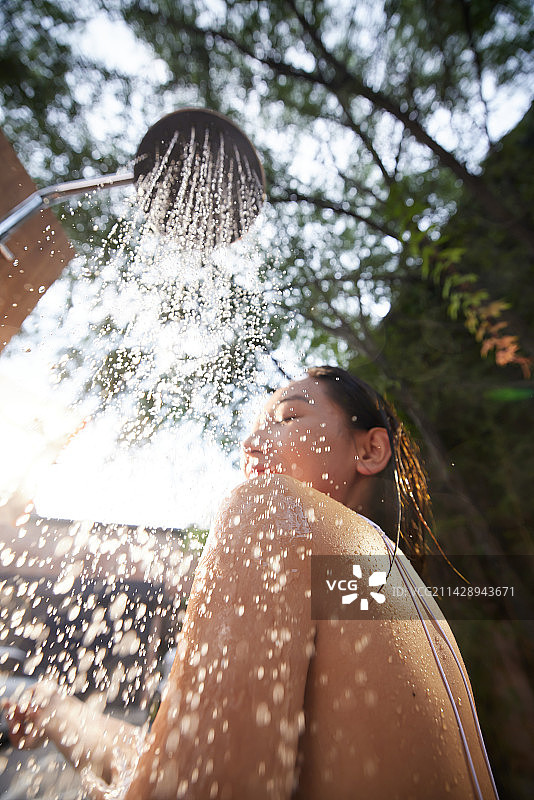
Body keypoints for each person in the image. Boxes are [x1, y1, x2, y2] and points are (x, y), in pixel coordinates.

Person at [4, 366, 499, 799]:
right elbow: (182, 762)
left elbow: (188, 790)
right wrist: (61, 714)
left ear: (370, 449)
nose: (250, 444)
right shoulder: (406, 602)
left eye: (288, 417)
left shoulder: (275, 510)